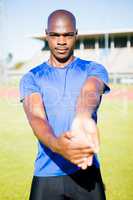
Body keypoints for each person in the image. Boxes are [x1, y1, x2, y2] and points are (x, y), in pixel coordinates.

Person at [20, 9, 110, 200]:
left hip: (86, 170)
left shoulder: (93, 68)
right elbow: (36, 117)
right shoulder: (32, 77)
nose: (61, 41)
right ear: (47, 35)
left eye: (68, 35)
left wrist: (82, 117)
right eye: (55, 35)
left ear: (76, 35)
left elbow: (91, 89)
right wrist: (56, 145)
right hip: (46, 175)